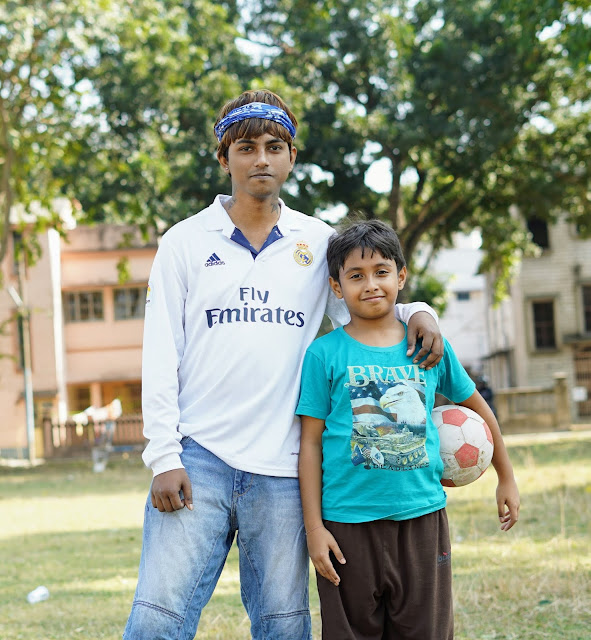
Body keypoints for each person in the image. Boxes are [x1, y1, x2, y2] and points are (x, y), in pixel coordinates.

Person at [123, 90, 444, 640]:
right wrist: (163, 455)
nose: (261, 159)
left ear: (292, 157)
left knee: (282, 622)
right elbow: (159, 352)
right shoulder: (183, 242)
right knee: (160, 617)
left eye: (275, 146)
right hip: (197, 456)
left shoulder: (317, 241)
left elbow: (366, 297)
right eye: (245, 148)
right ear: (224, 159)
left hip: (282, 464)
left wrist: (420, 309)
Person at [297, 220, 520, 640]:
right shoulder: (323, 354)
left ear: (401, 276)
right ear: (336, 286)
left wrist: (505, 476)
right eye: (355, 276)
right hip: (346, 524)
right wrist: (314, 529)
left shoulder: (428, 346)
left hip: (422, 518)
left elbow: (478, 408)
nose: (371, 285)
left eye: (381, 272)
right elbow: (309, 444)